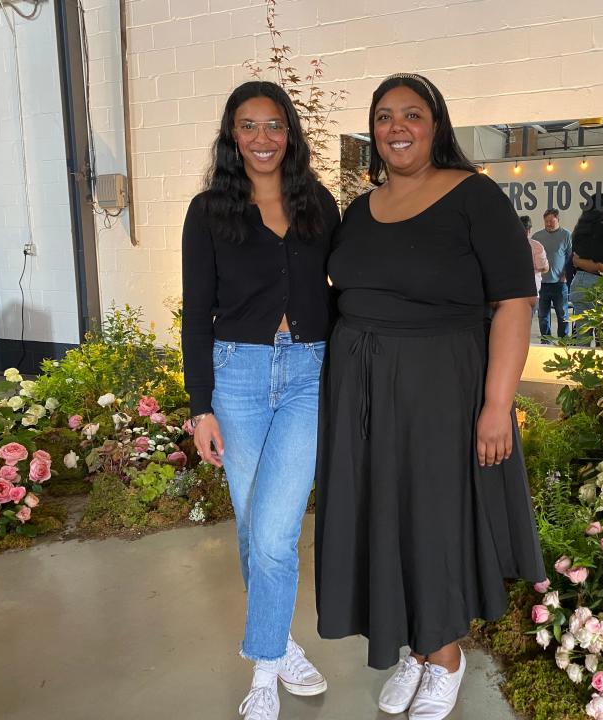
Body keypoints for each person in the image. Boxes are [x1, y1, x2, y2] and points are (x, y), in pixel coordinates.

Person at [315, 72, 545, 720]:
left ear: (436, 124)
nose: (396, 127)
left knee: (432, 519)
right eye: (383, 116)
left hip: (441, 389)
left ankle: (445, 655)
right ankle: (415, 648)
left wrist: (497, 405)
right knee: (382, 516)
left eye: (410, 114)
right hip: (361, 389)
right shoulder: (361, 208)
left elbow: (514, 303)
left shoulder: (476, 198)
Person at [181, 80, 339, 720]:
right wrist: (200, 406)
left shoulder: (318, 204)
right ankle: (284, 643)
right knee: (256, 529)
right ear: (232, 135)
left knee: (273, 532)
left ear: (290, 133)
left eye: (274, 125)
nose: (262, 138)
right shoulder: (208, 210)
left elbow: (351, 284)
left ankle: (264, 674)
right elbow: (196, 315)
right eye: (248, 126)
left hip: (308, 374)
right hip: (237, 378)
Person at [569, 195, 603, 339]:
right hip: (600, 283)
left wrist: (578, 262)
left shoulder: (578, 231)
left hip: (579, 281)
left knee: (582, 337)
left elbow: (574, 259)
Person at [532, 208, 573, 340]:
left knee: (562, 314)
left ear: (558, 220)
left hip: (559, 283)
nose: (549, 224)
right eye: (546, 221)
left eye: (551, 221)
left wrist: (565, 275)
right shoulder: (537, 237)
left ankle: (563, 341)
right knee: (543, 315)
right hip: (541, 284)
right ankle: (546, 341)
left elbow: (570, 257)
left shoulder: (566, 235)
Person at [521, 215, 550, 310]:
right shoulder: (536, 246)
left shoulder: (506, 245)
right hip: (531, 291)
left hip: (510, 292)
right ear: (529, 230)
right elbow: (543, 268)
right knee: (527, 322)